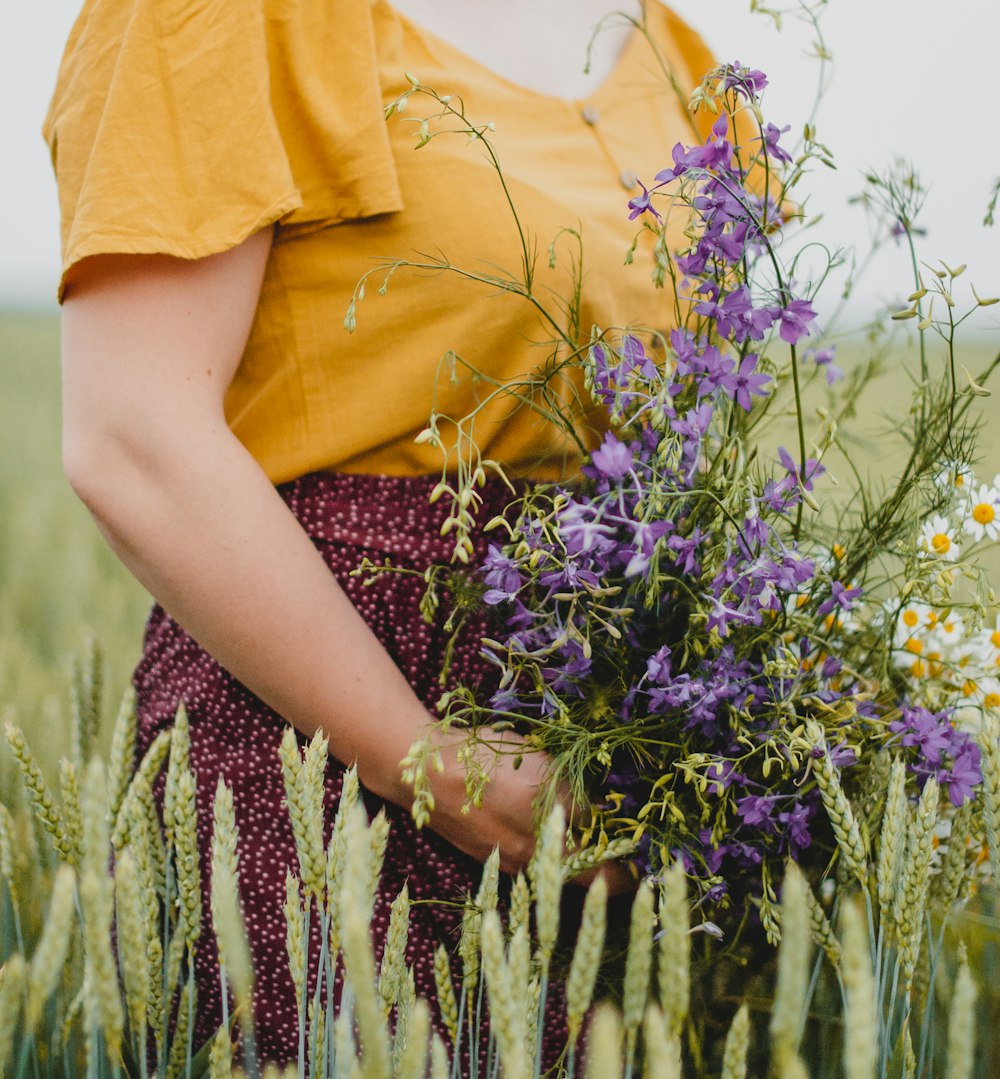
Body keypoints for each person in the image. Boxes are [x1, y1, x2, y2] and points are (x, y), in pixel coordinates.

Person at [45, 0, 718, 1065]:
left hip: (597, 777)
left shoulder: (678, 61)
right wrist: (440, 767)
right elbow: (136, 437)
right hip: (310, 755)